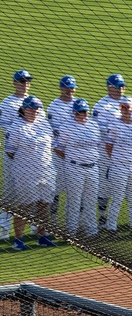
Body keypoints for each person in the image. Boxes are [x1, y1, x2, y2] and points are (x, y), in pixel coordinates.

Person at [5, 96, 56, 249]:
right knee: (24, 206)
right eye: (31, 108)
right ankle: (18, 240)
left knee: (43, 204)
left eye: (36, 108)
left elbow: (51, 145)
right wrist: (28, 161)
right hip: (25, 173)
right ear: (23, 109)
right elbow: (10, 151)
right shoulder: (16, 127)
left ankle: (42, 236)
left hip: (46, 170)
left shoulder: (44, 124)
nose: (34, 111)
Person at [55, 98, 104, 237]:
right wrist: (72, 159)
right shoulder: (66, 127)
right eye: (78, 113)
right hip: (74, 168)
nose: (81, 115)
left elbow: (98, 145)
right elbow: (58, 148)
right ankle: (71, 231)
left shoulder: (94, 126)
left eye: (84, 112)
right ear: (73, 113)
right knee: (74, 200)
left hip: (93, 168)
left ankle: (91, 231)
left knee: (91, 200)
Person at [0, 70, 36, 240]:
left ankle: (35, 227)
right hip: (13, 154)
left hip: (32, 156)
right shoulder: (7, 103)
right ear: (14, 83)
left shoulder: (35, 101)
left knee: (34, 191)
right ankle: (4, 230)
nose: (25, 83)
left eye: (27, 80)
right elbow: (5, 128)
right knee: (10, 192)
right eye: (21, 81)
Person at [93, 74, 126, 224]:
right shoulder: (101, 106)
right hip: (107, 152)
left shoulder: (129, 101)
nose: (121, 89)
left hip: (127, 152)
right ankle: (102, 216)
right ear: (109, 87)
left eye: (122, 86)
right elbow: (101, 130)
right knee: (105, 184)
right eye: (117, 86)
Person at [46, 75, 78, 221]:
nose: (69, 90)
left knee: (75, 190)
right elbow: (53, 132)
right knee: (56, 189)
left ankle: (72, 221)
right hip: (59, 153)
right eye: (66, 87)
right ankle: (53, 220)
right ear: (60, 88)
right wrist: (58, 150)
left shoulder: (79, 104)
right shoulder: (54, 106)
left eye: (71, 87)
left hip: (77, 154)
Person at [104, 97, 132, 232]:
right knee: (118, 198)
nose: (125, 110)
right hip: (119, 167)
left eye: (128, 107)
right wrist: (117, 160)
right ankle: (111, 228)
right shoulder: (115, 124)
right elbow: (108, 146)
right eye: (123, 107)